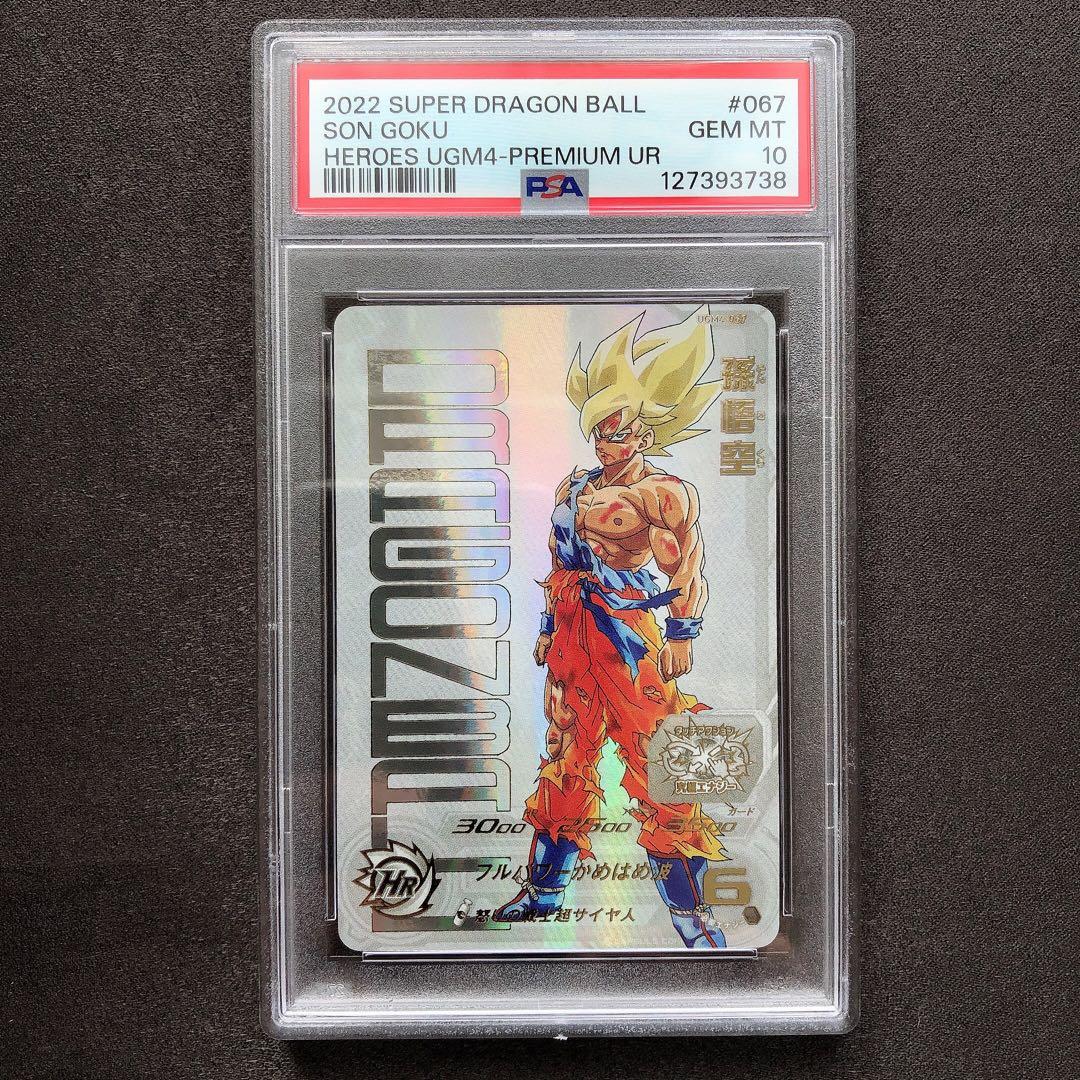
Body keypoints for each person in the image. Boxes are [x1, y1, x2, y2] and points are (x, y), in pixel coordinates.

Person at [494, 308, 728, 948]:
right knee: (566, 756)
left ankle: (690, 917)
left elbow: (687, 565)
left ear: (644, 433)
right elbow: (560, 565)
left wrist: (682, 633)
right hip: (575, 637)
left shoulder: (664, 494)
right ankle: (543, 896)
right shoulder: (573, 488)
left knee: (658, 763)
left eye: (617, 433)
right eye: (598, 432)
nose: (605, 444)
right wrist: (549, 627)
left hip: (631, 639)